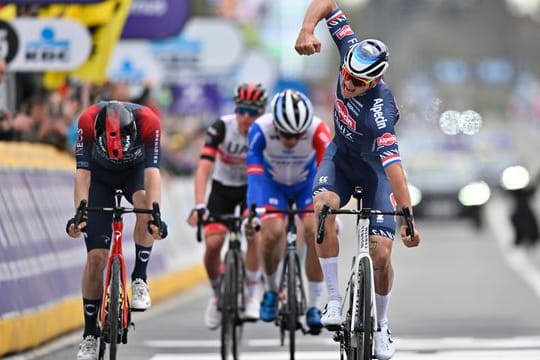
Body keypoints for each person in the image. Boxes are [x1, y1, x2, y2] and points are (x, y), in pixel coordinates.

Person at [294, 1, 422, 359]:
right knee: (322, 209)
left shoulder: (379, 113)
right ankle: (334, 300)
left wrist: (408, 219)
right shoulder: (351, 49)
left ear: (376, 80)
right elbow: (327, 4)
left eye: (358, 81)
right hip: (341, 160)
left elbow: (395, 170)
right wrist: (307, 29)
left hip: (376, 173)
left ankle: (381, 326)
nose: (347, 83)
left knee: (381, 256)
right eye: (346, 75)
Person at [66, 100, 168, 360]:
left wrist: (155, 215)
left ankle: (140, 278)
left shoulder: (149, 121)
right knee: (96, 258)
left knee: (145, 206)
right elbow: (82, 176)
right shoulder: (87, 121)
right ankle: (90, 334)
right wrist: (80, 213)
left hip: (134, 173)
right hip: (100, 178)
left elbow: (153, 173)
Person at [246, 89, 331, 333]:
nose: (292, 141)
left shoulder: (318, 129)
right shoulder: (260, 128)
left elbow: (327, 170)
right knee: (271, 232)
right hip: (271, 184)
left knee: (316, 231)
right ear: (275, 125)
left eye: (298, 134)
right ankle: (271, 290)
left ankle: (314, 305)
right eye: (285, 134)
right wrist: (254, 210)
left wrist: (329, 208)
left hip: (308, 184)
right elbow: (253, 172)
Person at [187, 83, 267, 329]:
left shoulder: (265, 130)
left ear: (261, 112)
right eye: (241, 109)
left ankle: (253, 293)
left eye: (252, 111)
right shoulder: (222, 126)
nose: (245, 116)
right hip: (222, 188)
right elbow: (204, 166)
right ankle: (217, 294)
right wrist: (200, 204)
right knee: (213, 244)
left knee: (252, 234)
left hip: (250, 189)